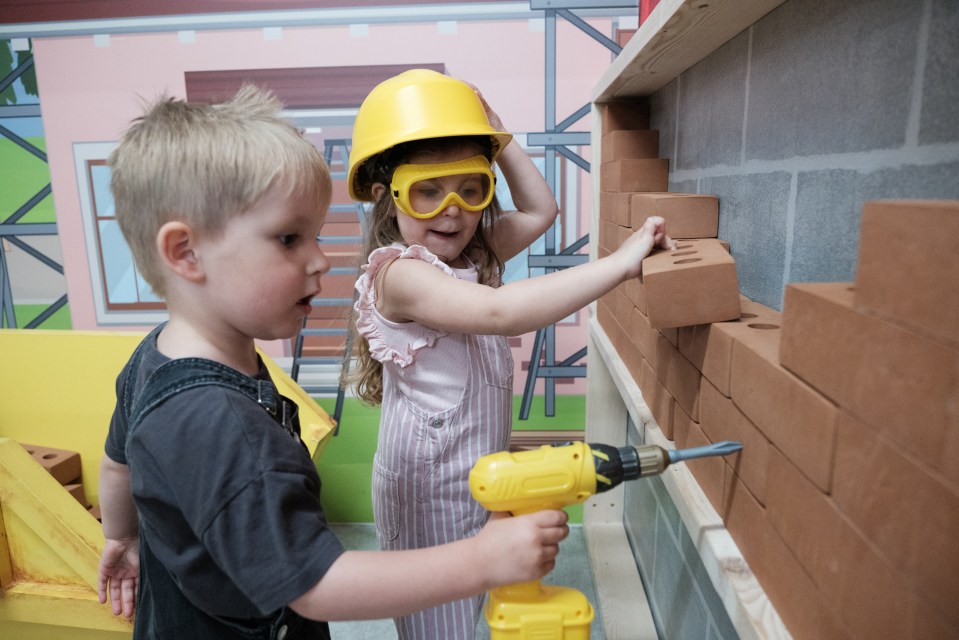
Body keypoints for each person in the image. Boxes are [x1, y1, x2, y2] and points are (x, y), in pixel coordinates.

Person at [96, 85, 570, 640]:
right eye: (290, 238)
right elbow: (317, 584)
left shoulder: (153, 359)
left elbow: (117, 464)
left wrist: (122, 539)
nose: (321, 260)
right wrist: (486, 561)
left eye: (315, 236)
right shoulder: (219, 423)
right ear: (185, 253)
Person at [346, 69, 675, 640]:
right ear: (386, 196)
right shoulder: (399, 275)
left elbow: (542, 211)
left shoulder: (470, 251)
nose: (452, 210)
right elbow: (501, 313)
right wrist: (620, 264)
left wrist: (501, 138)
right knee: (437, 624)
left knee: (473, 602)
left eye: (471, 188)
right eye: (428, 191)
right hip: (425, 488)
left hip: (475, 473)